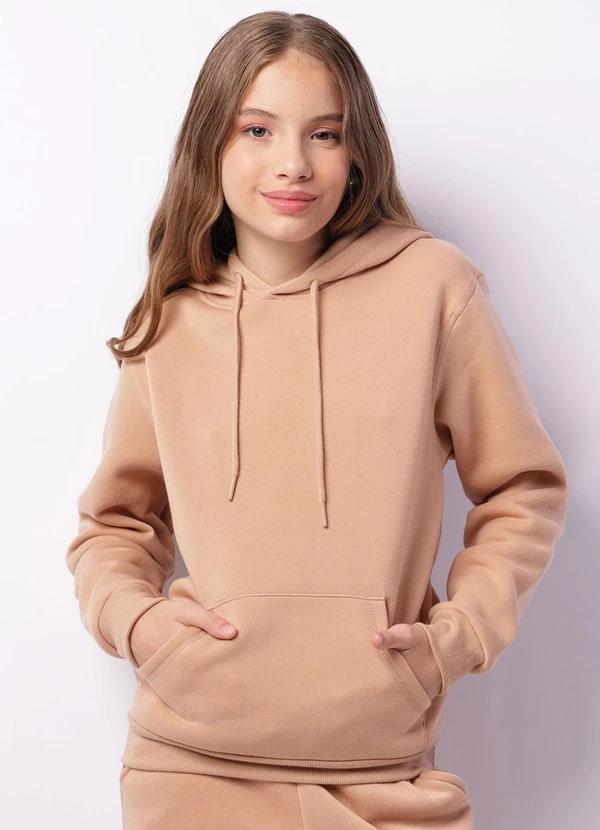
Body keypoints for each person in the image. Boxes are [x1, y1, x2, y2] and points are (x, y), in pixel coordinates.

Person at [65, 11, 568, 830]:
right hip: (188, 770)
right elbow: (115, 525)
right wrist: (139, 621)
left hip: (384, 770)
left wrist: (456, 639)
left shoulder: (433, 288)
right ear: (212, 145)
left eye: (324, 134)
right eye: (257, 129)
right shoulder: (172, 322)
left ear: (357, 150)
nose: (292, 163)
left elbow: (523, 489)